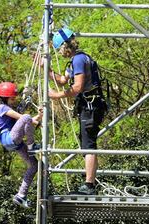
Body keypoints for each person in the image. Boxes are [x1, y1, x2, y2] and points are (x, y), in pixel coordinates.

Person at [48, 27, 107, 195]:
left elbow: (78, 86)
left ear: (65, 46)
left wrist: (57, 96)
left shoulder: (79, 60)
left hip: (90, 106)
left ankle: (89, 185)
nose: (59, 53)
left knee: (89, 144)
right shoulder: (77, 60)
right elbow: (62, 80)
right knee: (86, 143)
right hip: (88, 106)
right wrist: (47, 69)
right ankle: (89, 182)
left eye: (58, 48)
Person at [0, 82, 43, 207]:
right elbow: (24, 118)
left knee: (34, 165)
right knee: (26, 116)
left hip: (15, 142)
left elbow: (29, 122)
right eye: (12, 98)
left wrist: (40, 115)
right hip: (9, 137)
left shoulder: (8, 109)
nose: (14, 100)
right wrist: (32, 119)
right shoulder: (2, 108)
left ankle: (21, 195)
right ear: (5, 98)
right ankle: (32, 146)